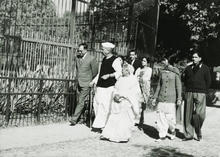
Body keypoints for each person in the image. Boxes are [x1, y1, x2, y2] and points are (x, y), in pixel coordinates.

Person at [100, 64, 141, 142]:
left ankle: (123, 136)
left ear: (127, 71)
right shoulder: (120, 79)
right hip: (117, 101)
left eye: (123, 69)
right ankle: (110, 135)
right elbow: (115, 88)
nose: (121, 71)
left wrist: (123, 96)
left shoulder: (133, 79)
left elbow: (134, 92)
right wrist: (116, 95)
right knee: (114, 118)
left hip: (126, 102)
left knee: (124, 120)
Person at [90, 42, 122, 132]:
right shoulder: (104, 59)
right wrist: (93, 81)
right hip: (100, 86)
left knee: (105, 106)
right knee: (96, 104)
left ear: (108, 50)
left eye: (103, 49)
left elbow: (119, 72)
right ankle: (99, 124)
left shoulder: (115, 60)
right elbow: (100, 73)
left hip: (109, 87)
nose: (101, 50)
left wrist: (109, 75)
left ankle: (105, 125)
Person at [182, 52, 211, 141]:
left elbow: (208, 81)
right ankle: (189, 134)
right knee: (188, 114)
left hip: (200, 93)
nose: (193, 59)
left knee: (199, 114)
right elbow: (183, 79)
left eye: (196, 57)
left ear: (200, 58)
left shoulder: (205, 68)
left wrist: (204, 92)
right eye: (193, 57)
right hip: (189, 92)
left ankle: (198, 131)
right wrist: (185, 68)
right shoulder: (188, 68)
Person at [152, 58, 182, 142]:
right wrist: (155, 97)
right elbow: (158, 85)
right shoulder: (162, 72)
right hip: (161, 98)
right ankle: (162, 135)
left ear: (169, 62)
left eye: (164, 61)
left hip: (171, 99)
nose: (163, 63)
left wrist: (179, 98)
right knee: (160, 117)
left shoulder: (175, 72)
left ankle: (172, 130)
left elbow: (178, 86)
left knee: (170, 118)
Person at [69, 43, 99, 126]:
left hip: (87, 83)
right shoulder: (78, 58)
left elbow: (95, 72)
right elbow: (77, 70)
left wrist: (91, 81)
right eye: (78, 51)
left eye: (81, 51)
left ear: (86, 50)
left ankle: (74, 119)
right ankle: (81, 118)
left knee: (81, 100)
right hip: (78, 82)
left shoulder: (91, 58)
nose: (79, 52)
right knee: (79, 101)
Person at [135, 57, 152, 124]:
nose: (142, 62)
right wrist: (138, 77)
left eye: (144, 61)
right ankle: (137, 119)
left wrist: (141, 78)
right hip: (138, 88)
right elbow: (135, 77)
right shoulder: (138, 69)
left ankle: (141, 118)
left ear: (147, 62)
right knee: (137, 103)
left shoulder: (149, 69)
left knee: (142, 104)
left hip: (144, 88)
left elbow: (147, 78)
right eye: (142, 60)